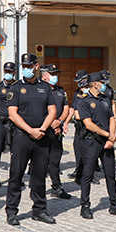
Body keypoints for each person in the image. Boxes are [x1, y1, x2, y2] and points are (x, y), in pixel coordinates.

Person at [4, 53, 57, 226]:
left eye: (29, 66)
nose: (26, 69)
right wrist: (30, 130)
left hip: (42, 136)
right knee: (16, 174)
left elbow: (52, 112)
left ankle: (39, 210)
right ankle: (11, 211)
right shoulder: (16, 88)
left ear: (36, 66)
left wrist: (41, 129)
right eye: (24, 66)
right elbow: (13, 114)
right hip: (22, 137)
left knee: (39, 175)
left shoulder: (46, 88)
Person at [77, 71, 116, 219]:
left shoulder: (106, 99)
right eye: (102, 82)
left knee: (110, 174)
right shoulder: (84, 101)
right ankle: (85, 206)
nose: (105, 85)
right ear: (95, 84)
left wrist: (111, 138)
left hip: (107, 142)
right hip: (92, 141)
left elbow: (112, 117)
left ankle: (115, 204)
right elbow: (88, 124)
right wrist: (108, 135)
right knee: (87, 175)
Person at [40, 64, 72, 199]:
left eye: (56, 74)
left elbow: (66, 108)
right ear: (44, 76)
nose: (55, 77)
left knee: (55, 160)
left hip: (56, 130)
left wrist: (59, 121)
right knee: (40, 161)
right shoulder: (39, 89)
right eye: (52, 74)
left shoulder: (61, 90)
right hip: (43, 130)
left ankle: (56, 187)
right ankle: (37, 187)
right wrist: (49, 123)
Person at [0, 62, 17, 188]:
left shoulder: (17, 87)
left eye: (10, 72)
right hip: (1, 122)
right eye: (6, 71)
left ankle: (15, 177)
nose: (8, 74)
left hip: (14, 123)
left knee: (15, 151)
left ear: (14, 73)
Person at [69, 70, 89, 183]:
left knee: (88, 151)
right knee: (77, 147)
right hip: (79, 127)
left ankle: (89, 173)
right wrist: (65, 122)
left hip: (89, 127)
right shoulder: (77, 92)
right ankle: (79, 170)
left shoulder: (92, 93)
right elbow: (72, 108)